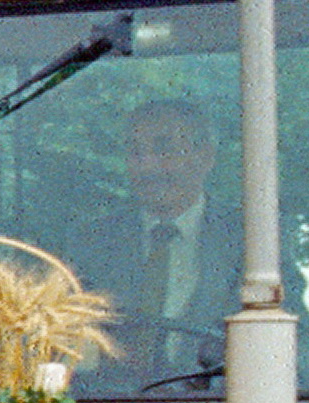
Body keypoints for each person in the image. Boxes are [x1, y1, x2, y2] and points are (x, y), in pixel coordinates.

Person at [67, 94, 239, 383]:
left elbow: (303, 346)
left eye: (164, 150)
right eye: (135, 152)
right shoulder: (92, 243)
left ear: (206, 157)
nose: (147, 167)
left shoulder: (249, 243)